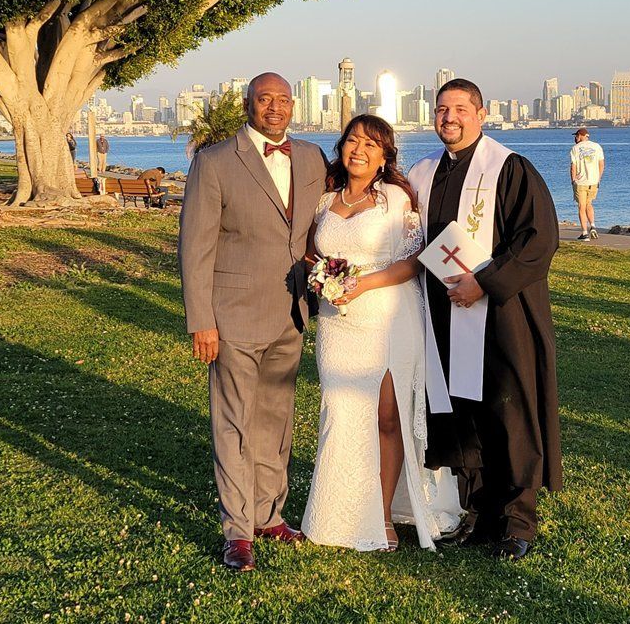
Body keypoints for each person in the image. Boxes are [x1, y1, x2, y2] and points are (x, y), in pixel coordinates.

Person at [408, 78, 563, 561]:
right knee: (460, 413)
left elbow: (538, 239)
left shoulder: (510, 168)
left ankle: (518, 521)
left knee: (507, 410)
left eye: (459, 109)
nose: (448, 118)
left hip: (502, 313)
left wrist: (485, 283)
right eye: (441, 110)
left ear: (480, 113)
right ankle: (478, 514)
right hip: (443, 312)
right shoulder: (424, 173)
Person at [178, 72, 327, 572]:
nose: (276, 108)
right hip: (233, 316)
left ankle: (270, 515)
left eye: (284, 100)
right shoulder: (215, 161)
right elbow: (195, 248)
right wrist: (201, 320)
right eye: (266, 100)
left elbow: (322, 225)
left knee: (275, 422)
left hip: (292, 314)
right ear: (248, 104)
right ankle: (238, 533)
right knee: (234, 425)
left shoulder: (310, 157)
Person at [300, 114, 462, 552]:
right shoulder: (323, 200)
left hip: (390, 315)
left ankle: (385, 513)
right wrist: (324, 278)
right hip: (338, 322)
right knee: (341, 408)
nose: (359, 150)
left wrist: (362, 283)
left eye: (371, 145)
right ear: (341, 147)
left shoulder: (394, 198)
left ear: (384, 156)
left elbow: (413, 261)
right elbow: (312, 252)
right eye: (353, 141)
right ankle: (339, 513)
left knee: (386, 417)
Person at [570, 127, 605, 241]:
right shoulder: (597, 146)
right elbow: (601, 164)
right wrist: (598, 178)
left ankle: (585, 233)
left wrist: (573, 180)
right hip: (593, 181)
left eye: (576, 136)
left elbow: (573, 167)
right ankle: (593, 225)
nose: (575, 138)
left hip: (581, 182)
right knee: (589, 204)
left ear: (581, 136)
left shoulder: (575, 148)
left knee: (581, 206)